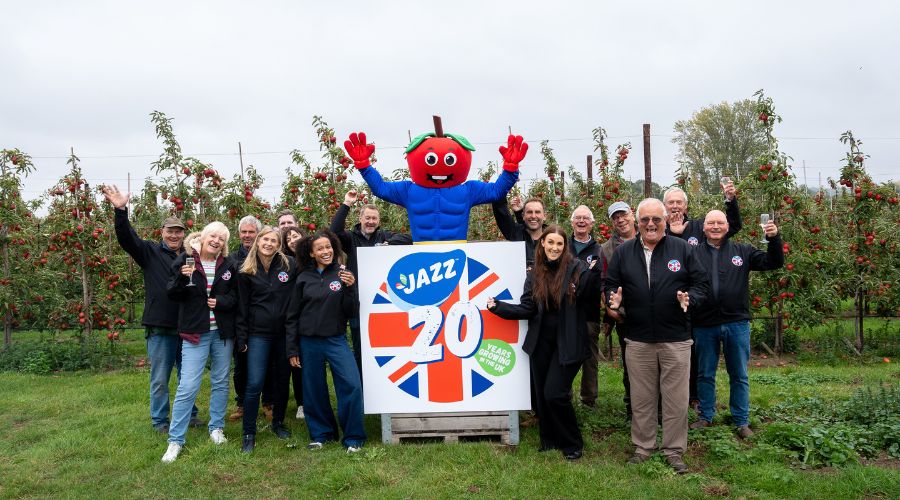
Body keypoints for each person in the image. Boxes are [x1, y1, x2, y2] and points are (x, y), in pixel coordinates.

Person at [605, 198, 710, 474]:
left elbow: (701, 284)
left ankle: (674, 450)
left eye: (656, 219)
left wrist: (691, 298)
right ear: (637, 222)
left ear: (665, 221)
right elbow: (611, 284)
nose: (650, 224)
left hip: (675, 337)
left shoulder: (683, 249)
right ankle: (643, 446)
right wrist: (612, 300)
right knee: (642, 397)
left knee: (676, 398)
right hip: (638, 337)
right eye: (645, 220)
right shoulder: (624, 252)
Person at [487, 225, 603, 461]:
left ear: (565, 247)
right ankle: (549, 440)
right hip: (541, 344)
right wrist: (499, 307)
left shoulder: (577, 269)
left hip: (568, 343)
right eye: (550, 242)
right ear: (542, 244)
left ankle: (572, 443)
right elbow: (528, 307)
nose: (554, 248)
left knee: (555, 394)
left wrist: (595, 277)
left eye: (559, 244)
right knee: (542, 397)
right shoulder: (535, 274)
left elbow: (589, 299)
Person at [101, 185, 200, 433]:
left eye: (179, 231)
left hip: (187, 324)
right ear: (162, 232)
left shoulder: (192, 257)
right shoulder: (149, 252)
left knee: (188, 376)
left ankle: (190, 415)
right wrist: (121, 211)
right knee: (160, 378)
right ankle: (160, 421)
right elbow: (126, 238)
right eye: (170, 231)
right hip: (160, 326)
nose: (174, 235)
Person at [690, 210, 783, 438]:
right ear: (703, 228)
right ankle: (706, 416)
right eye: (710, 223)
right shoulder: (692, 253)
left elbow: (774, 262)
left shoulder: (743, 250)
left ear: (727, 226)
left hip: (736, 322)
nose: (715, 227)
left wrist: (774, 239)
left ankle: (741, 421)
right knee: (704, 373)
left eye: (720, 223)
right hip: (704, 323)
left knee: (739, 373)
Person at [161, 222, 237, 463]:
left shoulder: (228, 264)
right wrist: (183, 279)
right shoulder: (184, 260)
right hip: (196, 332)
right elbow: (172, 293)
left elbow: (236, 296)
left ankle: (216, 428)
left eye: (222, 238)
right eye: (213, 236)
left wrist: (221, 302)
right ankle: (175, 440)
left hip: (222, 333)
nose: (217, 241)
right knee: (188, 386)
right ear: (203, 237)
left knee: (220, 381)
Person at [285, 230, 366, 452]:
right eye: (320, 248)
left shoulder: (342, 274)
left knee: (352, 385)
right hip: (309, 342)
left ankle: (354, 438)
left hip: (335, 339)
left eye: (328, 247)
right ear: (311, 253)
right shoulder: (302, 277)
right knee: (313, 389)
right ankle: (322, 434)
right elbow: (292, 316)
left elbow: (351, 312)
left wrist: (351, 289)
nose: (325, 251)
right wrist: (292, 348)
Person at [663, 184, 742, 411]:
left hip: (698, 301)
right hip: (669, 299)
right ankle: (671, 396)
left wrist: (730, 200)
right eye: (671, 202)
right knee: (672, 351)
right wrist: (672, 233)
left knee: (696, 352)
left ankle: (695, 397)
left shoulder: (699, 227)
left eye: (679, 202)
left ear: (686, 206)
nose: (675, 206)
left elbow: (733, 226)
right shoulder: (658, 227)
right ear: (665, 205)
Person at [329, 190, 412, 376]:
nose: (371, 222)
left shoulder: (384, 236)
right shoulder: (350, 238)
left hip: (382, 301)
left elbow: (410, 239)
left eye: (374, 218)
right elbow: (333, 232)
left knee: (383, 343)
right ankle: (362, 384)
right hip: (357, 301)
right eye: (367, 218)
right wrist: (346, 204)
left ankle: (381, 380)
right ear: (360, 218)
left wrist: (390, 244)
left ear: (379, 221)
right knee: (360, 345)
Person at [236, 226, 299, 452]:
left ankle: (278, 423)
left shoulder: (289, 266)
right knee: (254, 383)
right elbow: (242, 307)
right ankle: (248, 433)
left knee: (282, 381)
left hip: (283, 334)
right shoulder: (246, 270)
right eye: (265, 239)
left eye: (273, 240)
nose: (269, 243)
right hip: (258, 335)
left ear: (278, 244)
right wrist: (241, 337)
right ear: (258, 241)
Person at [228, 216, 271, 422]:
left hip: (261, 318)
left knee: (268, 363)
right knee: (241, 364)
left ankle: (268, 402)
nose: (247, 236)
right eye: (244, 232)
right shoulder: (232, 258)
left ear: (258, 234)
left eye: (251, 232)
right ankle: (242, 403)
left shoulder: (267, 258)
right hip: (238, 316)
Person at [599, 201, 637, 420]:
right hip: (625, 315)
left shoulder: (651, 237)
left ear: (632, 215)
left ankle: (659, 408)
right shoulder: (606, 249)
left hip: (653, 313)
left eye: (623, 215)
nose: (620, 220)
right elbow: (604, 283)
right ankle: (633, 408)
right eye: (615, 217)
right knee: (630, 363)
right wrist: (611, 311)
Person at [568, 205, 604, 408]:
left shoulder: (600, 250)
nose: (581, 221)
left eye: (585, 218)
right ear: (572, 222)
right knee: (565, 354)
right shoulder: (563, 246)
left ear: (591, 224)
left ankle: (588, 399)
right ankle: (566, 396)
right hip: (566, 311)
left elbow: (601, 281)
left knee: (590, 357)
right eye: (577, 218)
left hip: (589, 312)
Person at [280, 225, 306, 419]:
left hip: (308, 315)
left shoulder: (311, 258)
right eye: (288, 239)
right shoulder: (284, 263)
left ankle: (304, 402)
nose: (292, 240)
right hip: (289, 316)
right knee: (292, 360)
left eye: (295, 236)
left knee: (302, 363)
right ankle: (297, 402)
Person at [491, 195, 547, 268]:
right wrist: (501, 188)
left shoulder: (554, 236)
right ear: (523, 215)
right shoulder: (515, 233)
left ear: (545, 216)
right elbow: (501, 213)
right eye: (529, 212)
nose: (533, 216)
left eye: (537, 212)